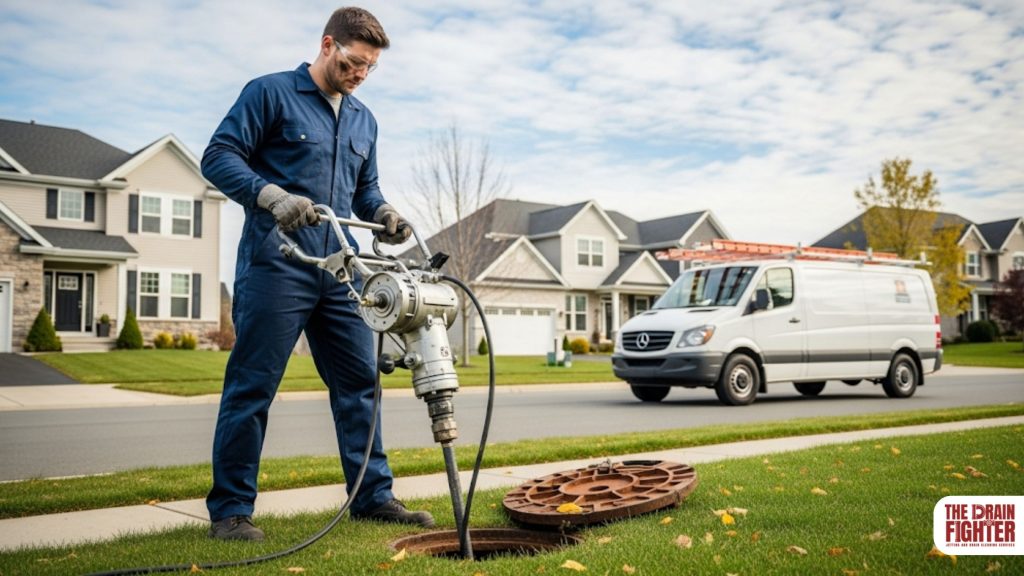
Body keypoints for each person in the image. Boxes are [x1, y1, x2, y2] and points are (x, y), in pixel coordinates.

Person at [201, 6, 431, 541]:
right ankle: (231, 511)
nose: (359, 76)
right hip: (276, 262)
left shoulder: (363, 120)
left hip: (340, 269)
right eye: (353, 63)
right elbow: (219, 156)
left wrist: (385, 216)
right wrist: (271, 195)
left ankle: (372, 497)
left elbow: (364, 192)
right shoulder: (270, 93)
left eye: (370, 69)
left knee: (360, 383)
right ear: (328, 46)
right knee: (253, 385)